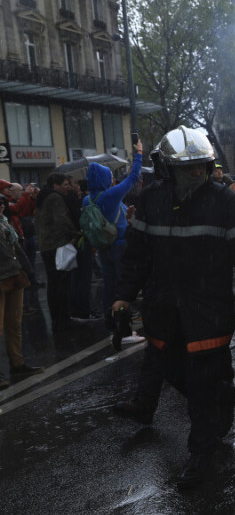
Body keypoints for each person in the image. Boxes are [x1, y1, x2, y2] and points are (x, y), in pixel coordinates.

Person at [112, 125, 235, 487]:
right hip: (164, 308)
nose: (196, 172)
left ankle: (201, 456)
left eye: (200, 165)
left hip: (208, 309)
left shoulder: (225, 201)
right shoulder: (151, 200)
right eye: (187, 166)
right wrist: (124, 294)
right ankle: (222, 396)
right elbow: (137, 253)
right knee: (173, 372)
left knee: (201, 383)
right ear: (168, 168)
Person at [84, 138, 144, 330]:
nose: (111, 180)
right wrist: (139, 154)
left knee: (109, 284)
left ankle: (110, 319)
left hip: (103, 246)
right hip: (119, 245)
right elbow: (133, 178)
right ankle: (124, 325)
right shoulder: (109, 196)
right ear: (103, 179)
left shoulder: (87, 200)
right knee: (123, 285)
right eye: (109, 177)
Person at [0, 196, 43, 389]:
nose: (1, 206)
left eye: (2, 203)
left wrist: (26, 269)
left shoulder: (5, 224)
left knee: (14, 324)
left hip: (15, 276)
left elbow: (17, 248)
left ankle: (17, 364)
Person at [35, 173, 79, 332]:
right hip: (57, 244)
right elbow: (61, 220)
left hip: (45, 245)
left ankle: (56, 319)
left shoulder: (42, 197)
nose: (68, 187)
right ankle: (63, 318)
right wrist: (73, 235)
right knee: (61, 283)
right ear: (56, 185)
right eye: (65, 184)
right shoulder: (55, 198)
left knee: (53, 283)